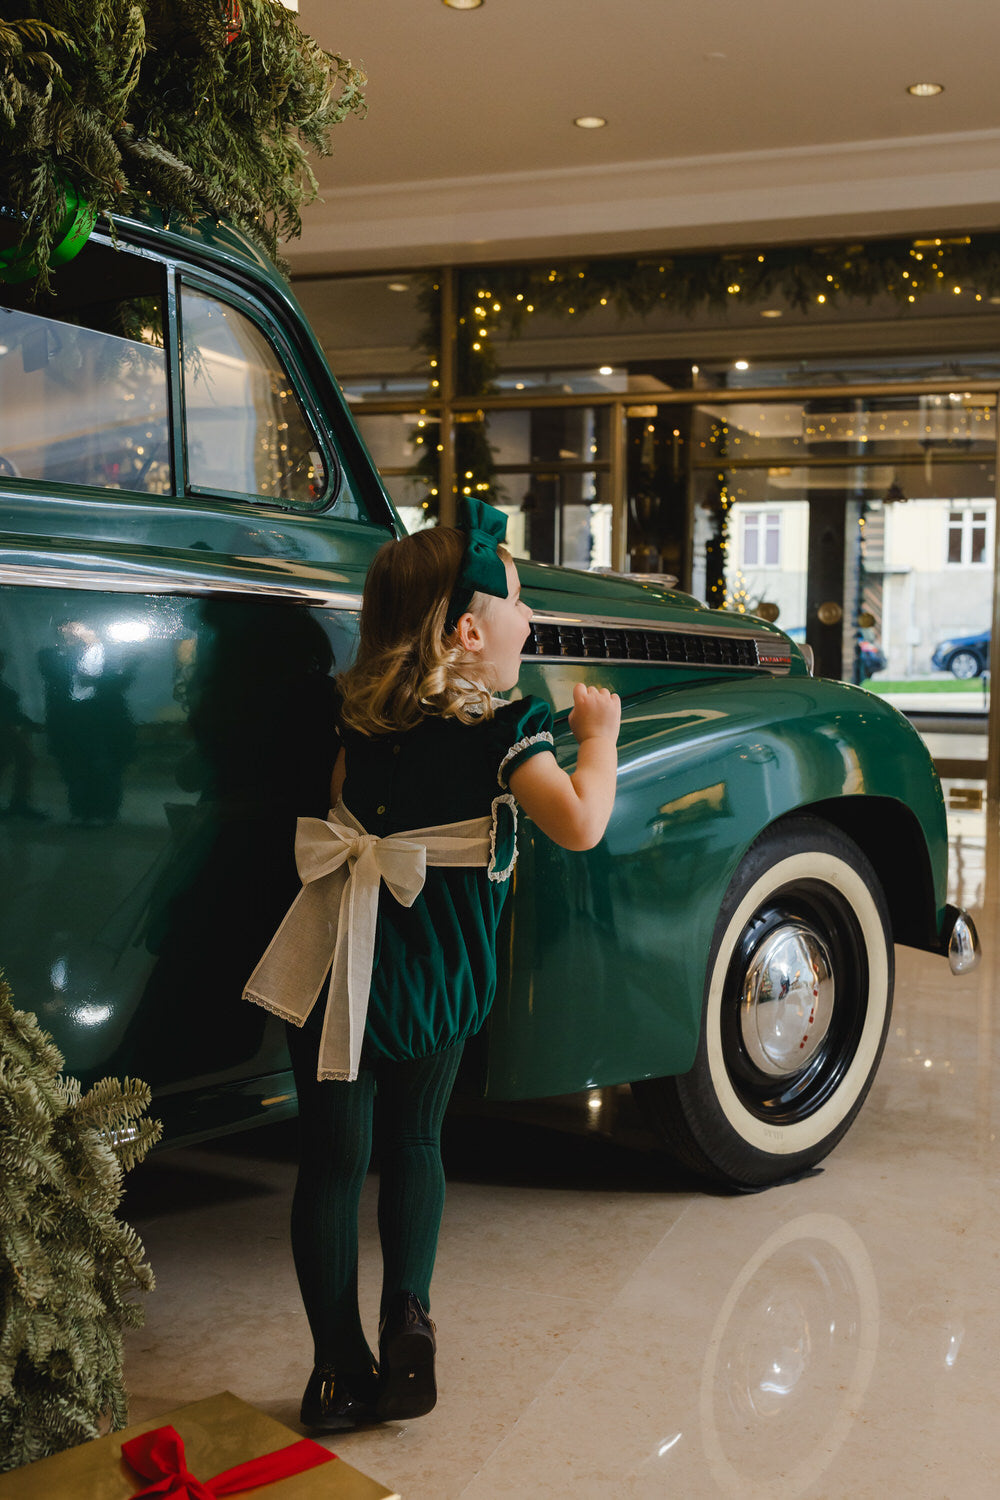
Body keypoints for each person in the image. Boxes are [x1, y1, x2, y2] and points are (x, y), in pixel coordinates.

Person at [244, 498, 621, 1432]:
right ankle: (407, 1314)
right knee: (415, 1144)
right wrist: (600, 742)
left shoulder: (357, 725)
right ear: (467, 630)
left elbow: (347, 816)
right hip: (432, 975)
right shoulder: (505, 733)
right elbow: (578, 824)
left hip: (334, 968)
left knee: (330, 1166)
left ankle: (334, 1370)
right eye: (519, 605)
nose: (529, 621)